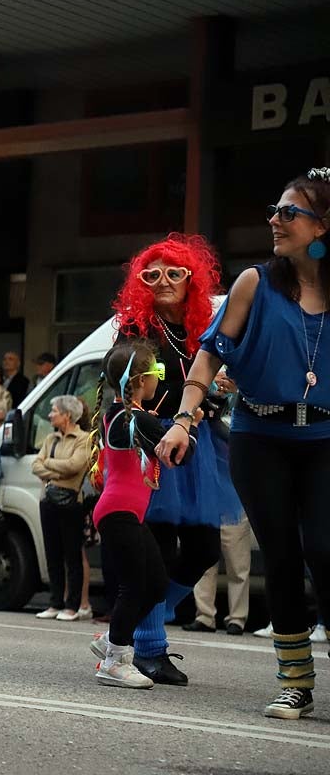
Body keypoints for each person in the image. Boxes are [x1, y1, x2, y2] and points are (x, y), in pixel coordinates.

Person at [157, 168, 330, 720]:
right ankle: (295, 682)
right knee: (280, 556)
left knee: (325, 550)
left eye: (289, 213)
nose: (275, 221)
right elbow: (210, 353)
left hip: (324, 436)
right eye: (275, 211)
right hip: (261, 438)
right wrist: (184, 419)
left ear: (323, 225)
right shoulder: (255, 283)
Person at [112, 232, 242, 686]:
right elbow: (123, 386)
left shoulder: (203, 328)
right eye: (152, 275)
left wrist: (217, 395)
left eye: (175, 273)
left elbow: (213, 380)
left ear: (193, 278)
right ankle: (149, 647)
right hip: (156, 443)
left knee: (205, 547)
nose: (163, 281)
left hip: (199, 444)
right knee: (160, 544)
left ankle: (134, 623)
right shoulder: (135, 330)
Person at [89, 340, 196, 689]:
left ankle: (111, 638)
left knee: (156, 583)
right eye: (157, 373)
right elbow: (182, 453)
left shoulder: (124, 415)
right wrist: (189, 422)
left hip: (125, 512)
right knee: (135, 585)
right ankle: (115, 660)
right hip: (118, 512)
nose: (159, 380)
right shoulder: (131, 418)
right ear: (138, 380)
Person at [31, 395, 91, 621]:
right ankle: (54, 602)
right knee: (52, 553)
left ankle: (72, 606)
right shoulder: (51, 438)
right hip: (48, 500)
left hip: (71, 503)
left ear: (67, 415)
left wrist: (49, 466)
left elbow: (75, 466)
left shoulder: (83, 438)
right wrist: (57, 472)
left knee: (72, 554)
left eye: (54, 411)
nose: (50, 415)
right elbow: (35, 464)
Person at [185, 513, 253, 635]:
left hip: (234, 504)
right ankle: (204, 616)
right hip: (208, 503)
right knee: (205, 564)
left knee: (238, 566)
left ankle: (237, 619)